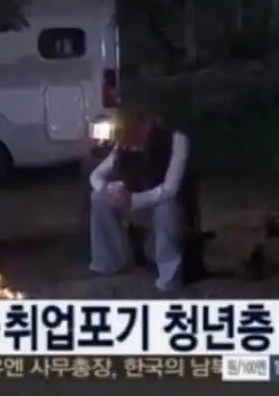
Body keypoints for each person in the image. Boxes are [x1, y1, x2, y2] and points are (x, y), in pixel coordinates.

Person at [87, 106, 203, 291]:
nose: (129, 144)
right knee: (98, 198)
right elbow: (96, 175)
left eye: (131, 134)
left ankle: (169, 276)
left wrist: (133, 200)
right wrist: (107, 190)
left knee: (166, 206)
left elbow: (170, 189)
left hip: (172, 206)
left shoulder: (176, 140)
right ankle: (110, 262)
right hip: (136, 202)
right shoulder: (124, 144)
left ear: (146, 125)